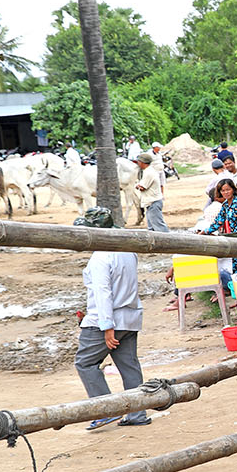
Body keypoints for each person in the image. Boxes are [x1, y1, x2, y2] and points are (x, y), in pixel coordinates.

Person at [73, 207, 150, 430]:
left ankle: (105, 409)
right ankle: (137, 413)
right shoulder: (127, 249)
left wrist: (107, 327)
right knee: (129, 366)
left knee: (86, 363)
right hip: (130, 315)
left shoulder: (100, 258)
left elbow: (103, 293)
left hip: (106, 319)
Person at [133, 151, 167, 232]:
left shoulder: (148, 172)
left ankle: (168, 241)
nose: (138, 163)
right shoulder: (149, 171)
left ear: (142, 162)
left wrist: (137, 185)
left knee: (159, 226)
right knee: (152, 227)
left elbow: (142, 187)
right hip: (151, 202)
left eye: (138, 161)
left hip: (153, 202)